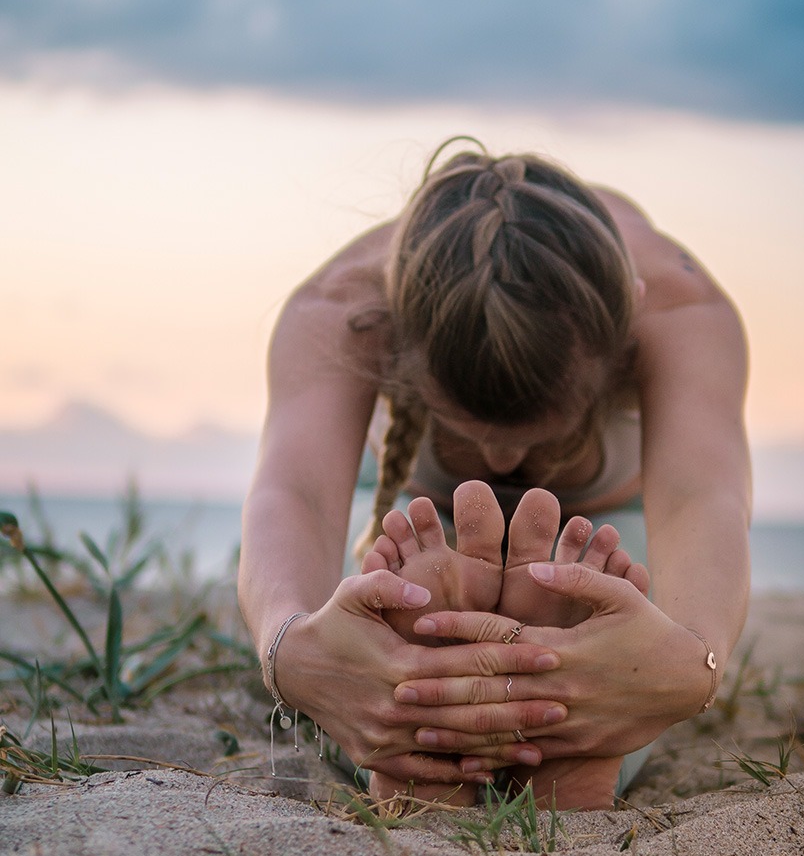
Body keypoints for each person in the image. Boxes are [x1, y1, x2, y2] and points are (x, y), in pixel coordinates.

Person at [238, 139, 751, 809]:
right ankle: (468, 732)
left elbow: (700, 500)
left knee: (635, 620)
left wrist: (687, 660)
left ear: (630, 313)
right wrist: (296, 649)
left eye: (538, 433)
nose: (503, 462)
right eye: (462, 427)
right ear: (394, 323)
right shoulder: (342, 307)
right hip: (421, 528)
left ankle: (503, 740)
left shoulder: (682, 310)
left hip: (600, 535)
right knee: (355, 617)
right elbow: (295, 496)